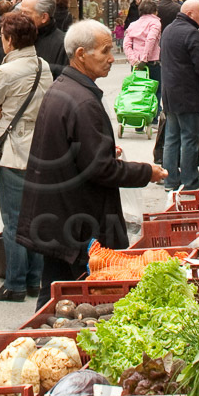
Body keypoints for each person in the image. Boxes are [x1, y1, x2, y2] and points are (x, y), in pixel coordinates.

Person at [17, 21, 166, 302]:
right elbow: (100, 168)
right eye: (106, 51)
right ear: (81, 54)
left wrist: (104, 147)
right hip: (75, 222)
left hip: (60, 219)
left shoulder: (67, 87)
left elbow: (75, 150)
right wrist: (147, 172)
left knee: (56, 293)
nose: (112, 58)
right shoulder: (81, 100)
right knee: (71, 296)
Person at [0, 9, 52, 300]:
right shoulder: (42, 65)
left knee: (14, 220)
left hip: (15, 152)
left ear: (10, 40)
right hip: (40, 150)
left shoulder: (7, 70)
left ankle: (14, 284)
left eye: (3, 37)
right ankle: (33, 279)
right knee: (36, 217)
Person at [158, 0, 199, 192]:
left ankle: (170, 181)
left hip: (170, 93)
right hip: (187, 93)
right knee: (189, 137)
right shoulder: (191, 33)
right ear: (190, 14)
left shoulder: (169, 30)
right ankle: (189, 182)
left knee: (172, 137)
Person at [20, 0, 67, 76]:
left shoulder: (64, 44)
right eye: (21, 12)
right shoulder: (18, 36)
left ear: (44, 17)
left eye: (26, 13)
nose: (21, 17)